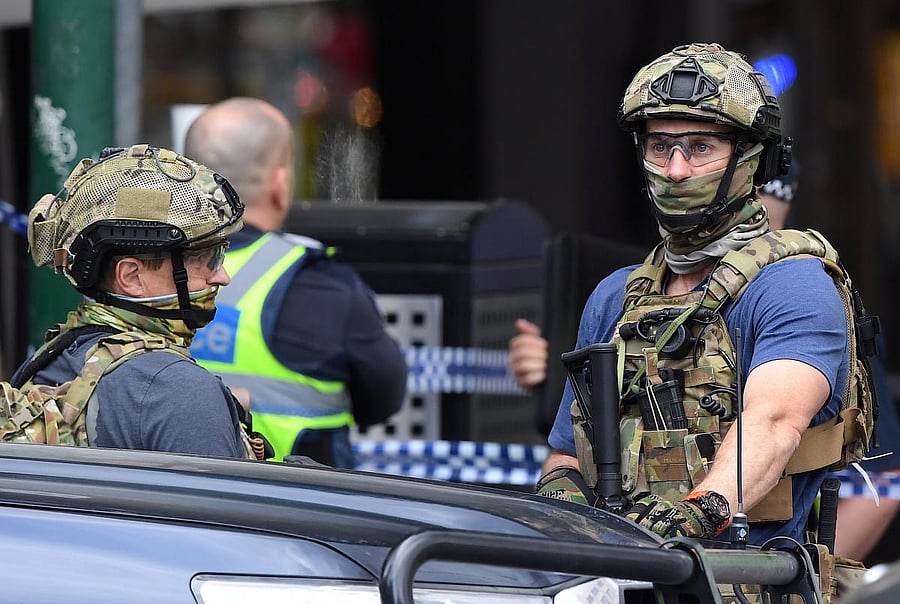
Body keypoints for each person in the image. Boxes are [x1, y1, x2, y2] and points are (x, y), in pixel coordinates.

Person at [535, 42, 856, 546]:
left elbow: (773, 423)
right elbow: (569, 450)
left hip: (740, 583)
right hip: (617, 579)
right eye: (660, 146)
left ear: (753, 158)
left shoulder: (793, 287)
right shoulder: (616, 296)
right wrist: (561, 494)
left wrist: (700, 512)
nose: (676, 170)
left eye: (701, 148)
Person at [184, 97, 407, 468]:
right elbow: (384, 399)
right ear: (280, 182)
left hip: (174, 501)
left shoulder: (145, 272)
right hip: (299, 511)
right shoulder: (320, 283)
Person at [15, 144, 252, 457]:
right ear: (131, 277)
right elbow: (224, 505)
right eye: (207, 259)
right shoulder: (179, 391)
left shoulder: (53, 355)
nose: (222, 277)